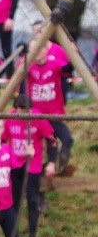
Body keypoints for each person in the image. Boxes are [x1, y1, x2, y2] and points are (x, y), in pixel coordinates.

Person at [3, 94, 56, 237]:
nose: (23, 116)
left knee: (32, 202)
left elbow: (52, 141)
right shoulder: (9, 119)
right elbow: (3, 140)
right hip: (14, 167)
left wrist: (52, 163)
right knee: (14, 203)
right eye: (20, 112)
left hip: (32, 167)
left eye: (26, 112)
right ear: (15, 109)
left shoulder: (38, 118)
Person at [25, 21, 75, 174]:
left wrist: (72, 54)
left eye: (40, 50)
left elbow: (67, 69)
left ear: (45, 51)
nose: (38, 54)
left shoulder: (54, 63)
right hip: (38, 113)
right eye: (34, 51)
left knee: (67, 138)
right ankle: (50, 166)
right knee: (50, 141)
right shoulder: (28, 67)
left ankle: (60, 165)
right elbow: (20, 84)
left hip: (54, 111)